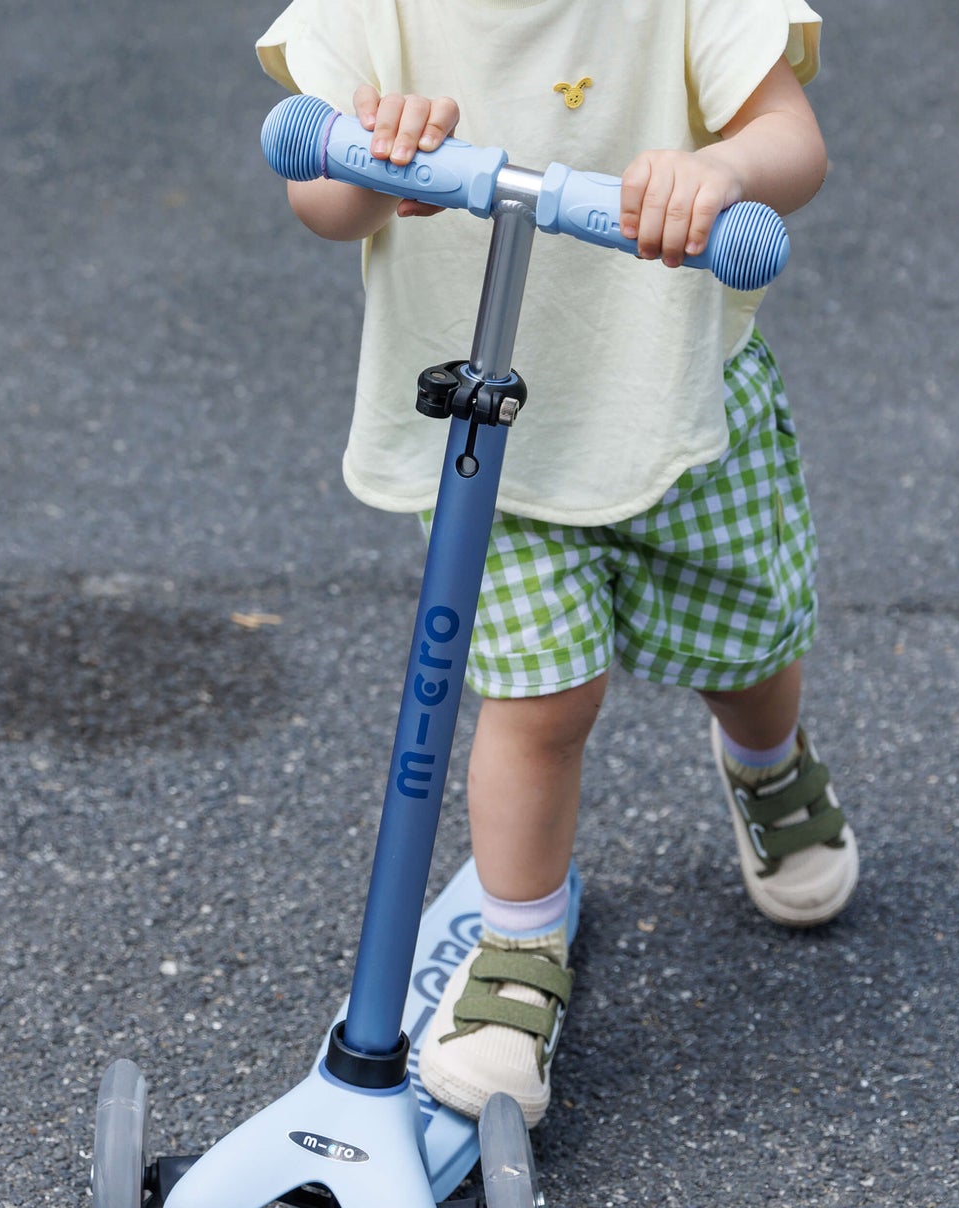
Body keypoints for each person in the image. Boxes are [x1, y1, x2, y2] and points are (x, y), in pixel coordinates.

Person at [255, 0, 857, 1130]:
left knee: (748, 649)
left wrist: (717, 168)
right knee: (538, 699)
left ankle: (765, 761)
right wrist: (375, 160)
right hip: (495, 429)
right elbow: (317, 193)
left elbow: (793, 142)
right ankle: (516, 957)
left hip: (673, 398)